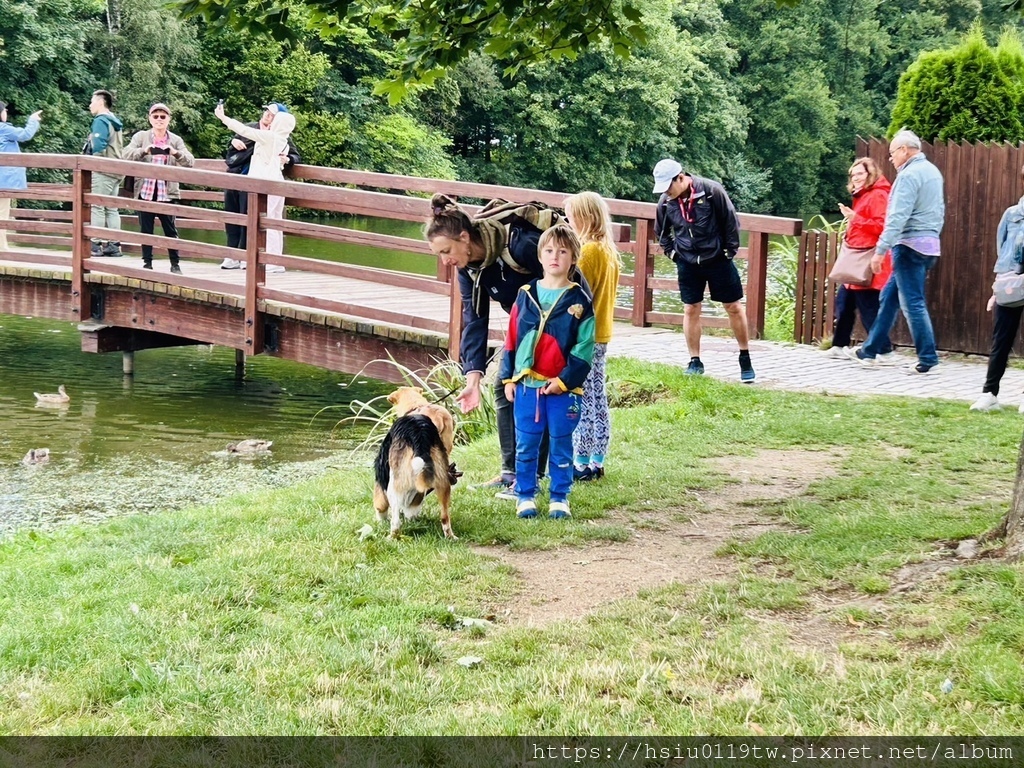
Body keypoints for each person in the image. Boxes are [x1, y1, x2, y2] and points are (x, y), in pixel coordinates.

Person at [426, 193, 562, 497]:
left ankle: (530, 479)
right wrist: (472, 379)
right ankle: (510, 473)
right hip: (524, 326)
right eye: (440, 254)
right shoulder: (468, 269)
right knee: (502, 387)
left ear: (465, 237)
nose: (445, 260)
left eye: (447, 250)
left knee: (534, 391)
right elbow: (474, 320)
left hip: (557, 323)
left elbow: (566, 281)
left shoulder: (520, 246)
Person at [499, 224, 595, 520]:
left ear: (573, 258)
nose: (555, 256)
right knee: (525, 443)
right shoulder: (525, 295)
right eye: (549, 250)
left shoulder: (580, 301)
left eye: (563, 252)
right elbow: (511, 338)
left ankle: (559, 496)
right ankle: (525, 494)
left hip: (562, 390)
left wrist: (565, 382)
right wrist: (507, 377)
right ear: (540, 256)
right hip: (527, 385)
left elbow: (584, 349)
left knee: (561, 443)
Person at [653, 158, 755, 382]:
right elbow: (661, 233)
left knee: (734, 306)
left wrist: (728, 252)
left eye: (668, 186)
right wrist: (673, 255)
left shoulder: (711, 191)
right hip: (687, 261)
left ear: (680, 177)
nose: (666, 193)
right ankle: (695, 360)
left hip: (717, 258)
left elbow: (731, 222)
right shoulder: (665, 202)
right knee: (691, 308)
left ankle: (745, 356)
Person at [855, 129, 945, 374]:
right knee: (889, 297)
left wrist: (880, 249)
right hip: (929, 246)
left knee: (913, 303)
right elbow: (939, 211)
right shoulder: (933, 172)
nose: (891, 158)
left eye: (893, 152)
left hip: (908, 247)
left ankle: (928, 358)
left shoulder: (908, 176)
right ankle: (870, 350)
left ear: (905, 150)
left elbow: (897, 217)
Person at [564, 191, 619, 482]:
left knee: (582, 397)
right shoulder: (608, 250)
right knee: (598, 396)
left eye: (572, 216)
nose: (568, 221)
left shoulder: (588, 252)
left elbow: (576, 293)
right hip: (602, 333)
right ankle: (598, 459)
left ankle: (581, 461)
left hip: (586, 336)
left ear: (584, 217)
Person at [828, 157, 896, 361]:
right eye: (853, 174)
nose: (855, 178)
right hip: (856, 255)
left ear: (870, 174)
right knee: (845, 302)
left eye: (860, 173)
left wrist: (854, 219)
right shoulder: (864, 195)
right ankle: (839, 345)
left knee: (868, 306)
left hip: (867, 257)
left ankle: (884, 349)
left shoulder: (877, 195)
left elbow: (882, 226)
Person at [215, 101, 297, 269]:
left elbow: (244, 131)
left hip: (265, 184)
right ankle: (272, 261)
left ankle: (268, 261)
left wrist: (223, 118)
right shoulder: (283, 140)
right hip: (273, 182)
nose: (269, 117)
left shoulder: (271, 137)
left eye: (274, 117)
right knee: (273, 222)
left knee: (265, 223)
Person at [971, 170, 1024, 412]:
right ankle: (989, 394)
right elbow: (1002, 251)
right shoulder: (1012, 215)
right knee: (1000, 340)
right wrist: (997, 287)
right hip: (1012, 284)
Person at [123, 103, 195, 274]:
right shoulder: (141, 137)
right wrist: (144, 151)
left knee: (170, 230)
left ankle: (175, 264)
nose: (159, 120)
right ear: (149, 119)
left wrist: (175, 153)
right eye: (155, 116)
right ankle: (147, 263)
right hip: (145, 190)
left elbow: (190, 161)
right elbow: (125, 154)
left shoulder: (175, 140)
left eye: (163, 116)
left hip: (166, 192)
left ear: (169, 119)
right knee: (146, 230)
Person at [84, 89, 125, 257]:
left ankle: (94, 244)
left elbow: (99, 146)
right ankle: (114, 245)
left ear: (100, 102)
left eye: (92, 101)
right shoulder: (114, 120)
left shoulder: (101, 120)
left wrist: (92, 161)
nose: (90, 105)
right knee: (111, 208)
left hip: (103, 168)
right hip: (116, 168)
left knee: (97, 206)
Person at [0, 101, 42, 252]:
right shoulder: (3, 129)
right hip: (3, 180)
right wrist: (33, 120)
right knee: (2, 213)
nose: (6, 112)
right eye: (4, 110)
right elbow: (25, 135)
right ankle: (2, 247)